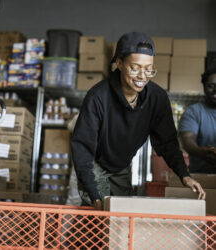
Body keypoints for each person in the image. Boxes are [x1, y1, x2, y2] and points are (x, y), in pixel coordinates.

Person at [71, 32, 206, 210]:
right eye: (135, 68)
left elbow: (167, 143)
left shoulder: (157, 98)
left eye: (149, 69)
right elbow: (82, 148)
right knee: (96, 220)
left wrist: (184, 175)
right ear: (119, 63)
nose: (143, 76)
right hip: (94, 162)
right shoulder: (98, 97)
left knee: (120, 216)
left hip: (121, 164)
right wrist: (94, 195)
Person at [178, 69, 216, 173]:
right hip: (201, 174)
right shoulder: (193, 112)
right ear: (204, 88)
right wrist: (201, 152)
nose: (215, 90)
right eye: (211, 86)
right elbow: (188, 140)